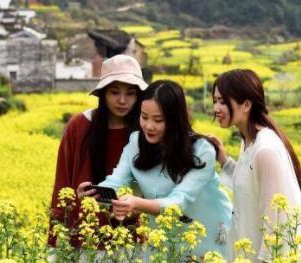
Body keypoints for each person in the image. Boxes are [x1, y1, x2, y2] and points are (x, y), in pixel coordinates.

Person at [99, 80, 232, 258]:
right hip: (164, 238)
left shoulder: (202, 150)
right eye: (144, 117)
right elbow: (116, 180)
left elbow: (179, 201)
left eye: (158, 120)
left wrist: (136, 203)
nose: (149, 126)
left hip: (209, 236)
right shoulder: (135, 143)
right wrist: (95, 192)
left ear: (175, 120)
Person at [210, 69, 301, 262]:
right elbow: (250, 184)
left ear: (246, 105)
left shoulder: (265, 150)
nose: (216, 108)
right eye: (215, 101)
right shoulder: (249, 141)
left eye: (223, 102)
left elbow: (275, 224)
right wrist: (224, 161)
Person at [48, 54, 148, 249]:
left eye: (130, 93)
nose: (122, 100)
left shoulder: (146, 131)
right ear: (103, 93)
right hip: (83, 236)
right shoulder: (80, 126)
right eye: (114, 92)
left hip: (129, 239)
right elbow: (62, 180)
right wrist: (55, 237)